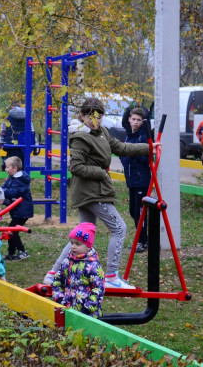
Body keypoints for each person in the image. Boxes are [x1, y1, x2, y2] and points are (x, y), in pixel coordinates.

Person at [42, 97, 151, 290]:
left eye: (99, 116)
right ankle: (111, 275)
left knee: (83, 234)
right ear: (82, 116)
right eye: (92, 117)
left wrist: (149, 147)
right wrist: (101, 172)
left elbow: (122, 148)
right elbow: (76, 167)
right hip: (90, 192)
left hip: (95, 190)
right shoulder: (81, 138)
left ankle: (53, 273)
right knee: (119, 228)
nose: (96, 120)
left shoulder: (103, 133)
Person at [51, 222, 105, 318]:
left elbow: (98, 289)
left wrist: (87, 309)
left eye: (78, 244)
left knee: (87, 333)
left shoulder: (93, 265)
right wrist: (59, 299)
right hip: (68, 310)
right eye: (71, 243)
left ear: (88, 247)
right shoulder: (67, 262)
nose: (73, 246)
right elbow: (57, 280)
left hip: (89, 315)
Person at [119, 107, 151, 253]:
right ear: (129, 120)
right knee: (133, 212)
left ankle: (143, 241)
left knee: (140, 213)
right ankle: (141, 239)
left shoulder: (143, 137)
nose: (136, 123)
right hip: (131, 180)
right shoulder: (128, 136)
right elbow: (122, 152)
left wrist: (133, 153)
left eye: (139, 120)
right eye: (134, 119)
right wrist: (125, 157)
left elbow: (146, 157)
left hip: (141, 181)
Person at [2, 156, 34, 261]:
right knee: (11, 230)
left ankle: (22, 251)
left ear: (15, 168)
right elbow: (4, 187)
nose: (5, 169)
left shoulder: (21, 180)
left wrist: (2, 192)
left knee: (12, 230)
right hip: (17, 210)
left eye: (7, 167)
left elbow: (13, 192)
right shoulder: (12, 177)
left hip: (23, 210)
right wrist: (0, 189)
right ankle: (11, 253)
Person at [0, 100, 31, 169]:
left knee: (11, 164)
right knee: (23, 164)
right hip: (24, 144)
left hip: (10, 144)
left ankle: (12, 178)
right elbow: (32, 131)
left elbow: (3, 131)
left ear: (12, 107)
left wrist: (1, 143)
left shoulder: (7, 118)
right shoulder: (27, 117)